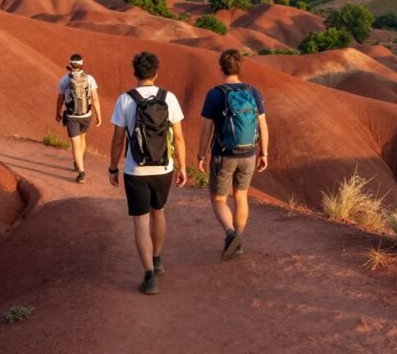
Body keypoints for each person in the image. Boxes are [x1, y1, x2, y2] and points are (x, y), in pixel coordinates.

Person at [109, 51, 187, 295]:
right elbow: (179, 137)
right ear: (156, 73)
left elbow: (118, 140)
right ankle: (157, 258)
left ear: (135, 72)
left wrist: (113, 167)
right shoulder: (169, 98)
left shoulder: (125, 100)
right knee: (159, 211)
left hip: (136, 170)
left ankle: (149, 276)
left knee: (141, 220)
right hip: (164, 167)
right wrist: (182, 167)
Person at [197, 49, 269, 260]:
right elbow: (263, 126)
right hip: (248, 154)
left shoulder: (214, 94)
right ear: (240, 67)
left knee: (219, 198)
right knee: (241, 196)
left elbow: (206, 129)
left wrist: (201, 155)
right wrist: (264, 153)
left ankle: (230, 234)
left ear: (221, 68)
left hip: (223, 155)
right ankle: (238, 243)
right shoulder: (253, 92)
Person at [55, 53, 102, 183]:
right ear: (82, 65)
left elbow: (60, 99)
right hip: (86, 115)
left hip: (72, 116)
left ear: (70, 65)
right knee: (82, 138)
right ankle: (78, 162)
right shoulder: (90, 79)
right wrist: (98, 115)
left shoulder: (64, 80)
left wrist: (57, 112)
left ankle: (81, 172)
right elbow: (95, 98)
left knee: (75, 143)